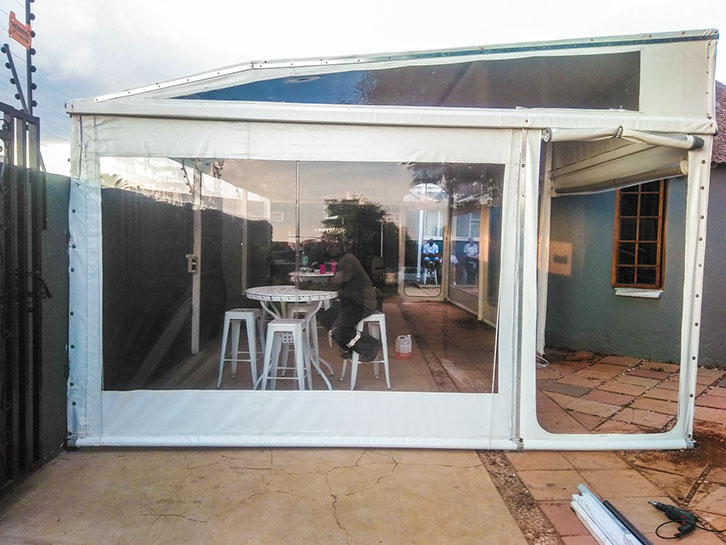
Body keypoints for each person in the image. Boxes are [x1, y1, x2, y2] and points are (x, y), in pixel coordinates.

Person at [318, 237, 382, 362]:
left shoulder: (348, 260)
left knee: (337, 327)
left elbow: (335, 284)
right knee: (326, 319)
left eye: (334, 245)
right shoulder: (344, 260)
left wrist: (311, 286)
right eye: (329, 246)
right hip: (350, 301)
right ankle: (352, 346)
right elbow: (335, 282)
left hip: (362, 303)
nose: (330, 248)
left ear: (342, 248)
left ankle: (371, 346)